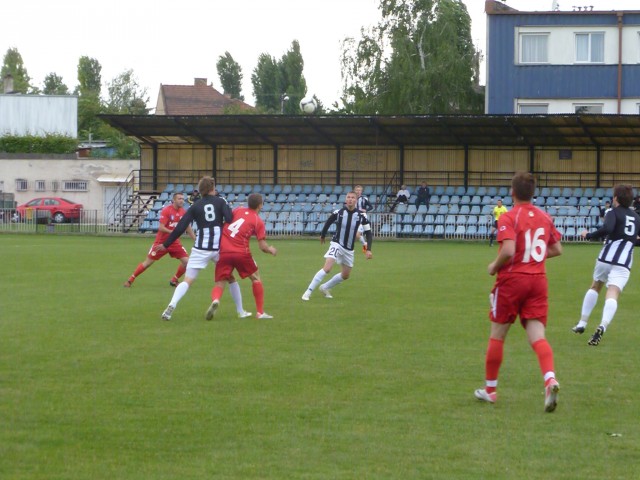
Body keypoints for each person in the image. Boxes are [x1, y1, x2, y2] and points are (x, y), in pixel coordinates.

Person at [474, 172, 562, 413]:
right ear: (532, 193)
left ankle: (490, 391)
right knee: (537, 334)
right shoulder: (544, 216)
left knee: (498, 334)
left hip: (513, 281)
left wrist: (494, 265)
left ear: (512, 192)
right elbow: (557, 248)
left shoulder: (509, 217)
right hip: (538, 280)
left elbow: (509, 250)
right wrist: (532, 256)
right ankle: (549, 379)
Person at [155, 176, 249, 321]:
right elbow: (229, 219)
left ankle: (171, 305)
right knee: (230, 278)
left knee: (187, 280)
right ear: (213, 188)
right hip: (218, 248)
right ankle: (241, 311)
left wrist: (166, 244)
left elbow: (181, 227)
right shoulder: (220, 201)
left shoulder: (195, 206)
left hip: (200, 247)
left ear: (200, 190)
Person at [573, 184, 640, 346]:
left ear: (616, 198)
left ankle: (582, 323)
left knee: (595, 286)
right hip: (624, 261)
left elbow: (608, 228)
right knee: (613, 292)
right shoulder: (637, 217)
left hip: (606, 257)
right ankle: (602, 325)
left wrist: (588, 235)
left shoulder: (612, 212)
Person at [206, 193, 277, 320]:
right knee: (256, 278)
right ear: (260, 205)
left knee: (220, 281)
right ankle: (260, 312)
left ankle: (216, 299)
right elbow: (262, 246)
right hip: (241, 253)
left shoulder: (238, 210)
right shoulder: (257, 221)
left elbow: (227, 220)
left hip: (224, 251)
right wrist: (270, 249)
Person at [301, 191, 373, 301]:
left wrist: (368, 249)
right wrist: (323, 235)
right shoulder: (338, 212)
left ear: (356, 200)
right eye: (348, 197)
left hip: (349, 249)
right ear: (345, 200)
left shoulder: (361, 215)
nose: (350, 199)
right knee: (327, 268)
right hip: (337, 244)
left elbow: (368, 232)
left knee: (345, 275)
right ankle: (308, 291)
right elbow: (328, 222)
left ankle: (324, 287)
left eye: (352, 197)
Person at [123, 192, 195, 288]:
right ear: (174, 200)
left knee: (187, 262)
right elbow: (161, 227)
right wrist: (173, 233)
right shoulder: (167, 210)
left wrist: (195, 238)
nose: (182, 200)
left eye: (182, 198)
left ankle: (174, 280)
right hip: (161, 242)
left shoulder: (183, 212)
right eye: (179, 199)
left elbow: (187, 226)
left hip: (174, 242)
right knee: (148, 263)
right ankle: (131, 279)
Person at [354, 184, 373, 253]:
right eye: (357, 190)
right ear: (354, 191)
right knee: (355, 235)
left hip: (362, 218)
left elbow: (371, 207)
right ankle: (365, 244)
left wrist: (366, 210)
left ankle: (364, 246)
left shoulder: (364, 199)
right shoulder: (352, 198)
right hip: (354, 217)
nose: (358, 191)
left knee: (357, 235)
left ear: (361, 191)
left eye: (359, 190)